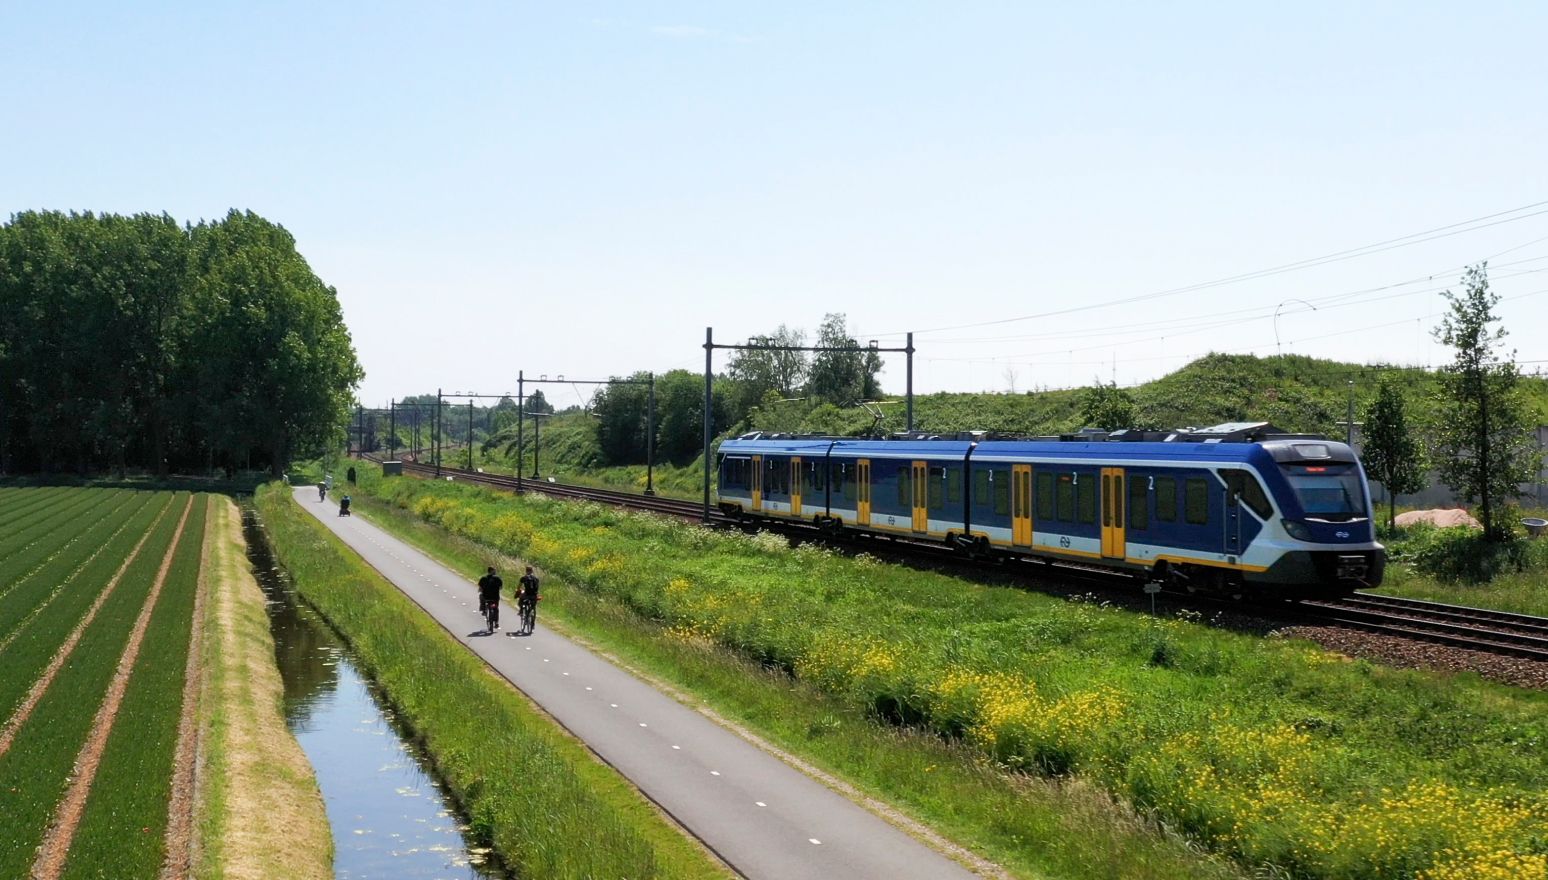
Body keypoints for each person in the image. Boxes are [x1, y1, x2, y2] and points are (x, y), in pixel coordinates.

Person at [477, 566, 503, 632]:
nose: (495, 571)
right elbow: (501, 587)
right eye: (494, 570)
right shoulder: (498, 578)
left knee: (481, 596)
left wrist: (482, 590)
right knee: (496, 608)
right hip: (495, 597)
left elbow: (480, 588)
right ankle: (496, 622)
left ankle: (483, 609)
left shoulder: (483, 578)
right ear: (492, 571)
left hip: (486, 597)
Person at [517, 566, 540, 634]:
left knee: (520, 598)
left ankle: (521, 610)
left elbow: (519, 586)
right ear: (532, 571)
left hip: (527, 594)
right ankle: (532, 624)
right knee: (533, 608)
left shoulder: (524, 578)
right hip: (534, 596)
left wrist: (519, 590)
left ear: (526, 571)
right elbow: (537, 587)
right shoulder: (536, 578)